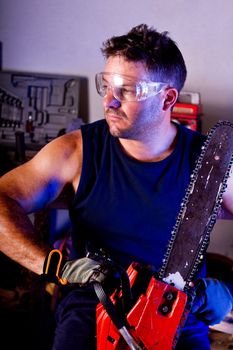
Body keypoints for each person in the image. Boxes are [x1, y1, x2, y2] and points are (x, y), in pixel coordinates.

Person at [0, 24, 232, 350]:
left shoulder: (212, 162)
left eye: (126, 89)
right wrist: (56, 266)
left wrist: (228, 291)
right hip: (92, 303)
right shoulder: (76, 151)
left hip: (175, 309)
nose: (108, 101)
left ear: (167, 99)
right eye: (106, 85)